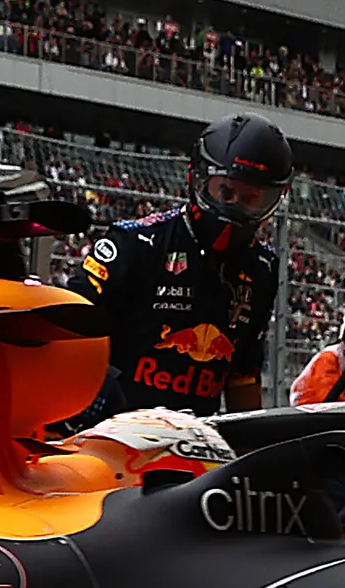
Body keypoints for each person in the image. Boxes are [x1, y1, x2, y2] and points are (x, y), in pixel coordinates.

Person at [64, 112, 288, 418]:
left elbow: (243, 376)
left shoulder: (262, 269)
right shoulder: (135, 244)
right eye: (226, 191)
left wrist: (253, 456)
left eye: (252, 199)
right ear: (197, 178)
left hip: (196, 443)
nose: (235, 206)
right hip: (112, 435)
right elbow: (68, 335)